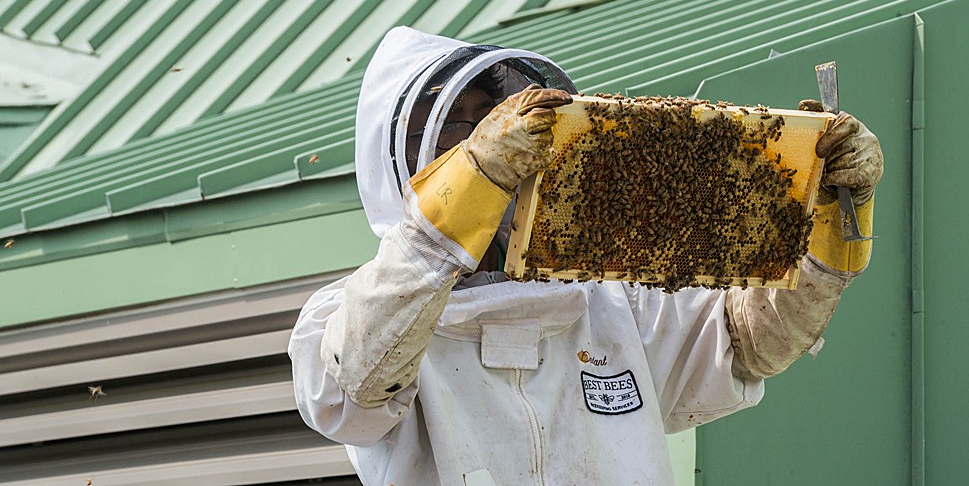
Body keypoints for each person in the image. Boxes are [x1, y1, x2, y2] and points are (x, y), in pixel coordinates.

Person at [289, 26, 883, 485]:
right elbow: (358, 390)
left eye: (486, 122)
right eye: (453, 128)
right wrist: (472, 179)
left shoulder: (612, 304)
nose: (477, 139)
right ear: (396, 155)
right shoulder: (342, 320)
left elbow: (750, 342)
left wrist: (823, 234)